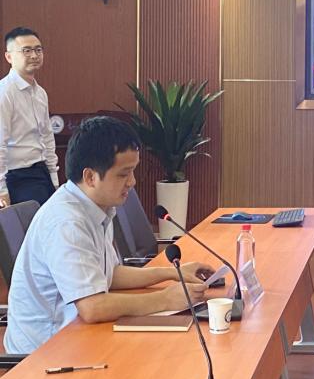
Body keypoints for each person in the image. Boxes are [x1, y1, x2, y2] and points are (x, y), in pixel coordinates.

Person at [3, 116, 212, 355]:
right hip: (44, 354)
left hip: (75, 335)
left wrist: (173, 273)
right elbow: (92, 307)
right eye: (124, 174)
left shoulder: (96, 206)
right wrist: (165, 299)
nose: (132, 182)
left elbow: (109, 274)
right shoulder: (67, 222)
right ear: (90, 177)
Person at [0, 27, 59, 208]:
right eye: (26, 50)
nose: (34, 55)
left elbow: (47, 136)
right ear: (9, 57)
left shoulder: (40, 93)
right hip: (17, 177)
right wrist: (2, 190)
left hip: (41, 173)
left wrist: (54, 179)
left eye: (38, 50)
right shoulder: (4, 93)